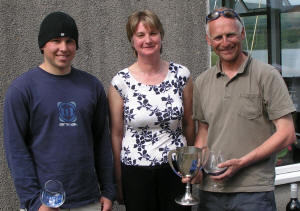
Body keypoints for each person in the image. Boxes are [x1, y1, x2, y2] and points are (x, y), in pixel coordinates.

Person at [4, 11, 115, 211]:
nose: (64, 48)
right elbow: (16, 150)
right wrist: (34, 202)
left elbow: (102, 142)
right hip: (44, 204)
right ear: (43, 45)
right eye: (56, 40)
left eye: (70, 41)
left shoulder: (91, 86)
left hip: (88, 200)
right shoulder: (22, 89)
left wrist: (108, 189)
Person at [190, 7, 297, 211]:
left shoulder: (267, 76)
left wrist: (242, 162)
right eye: (218, 37)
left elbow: (287, 134)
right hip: (211, 191)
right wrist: (196, 165)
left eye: (230, 35)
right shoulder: (203, 82)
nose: (225, 42)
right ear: (209, 41)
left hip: (253, 192)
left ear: (242, 34)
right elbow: (203, 130)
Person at [108, 10, 194, 211]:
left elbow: (189, 122)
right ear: (132, 41)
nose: (148, 40)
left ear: (161, 37)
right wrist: (118, 181)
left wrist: (190, 169)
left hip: (175, 170)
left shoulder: (181, 75)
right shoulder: (120, 82)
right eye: (140, 35)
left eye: (153, 33)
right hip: (135, 172)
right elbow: (116, 134)